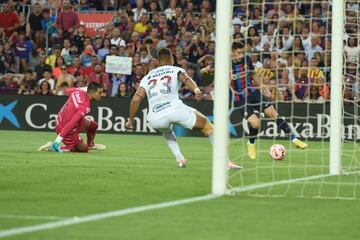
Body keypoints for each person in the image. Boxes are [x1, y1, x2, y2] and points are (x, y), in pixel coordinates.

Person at [125, 48, 241, 169]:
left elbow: (136, 99)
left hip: (155, 119)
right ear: (171, 59)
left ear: (158, 61)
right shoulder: (175, 69)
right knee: (208, 127)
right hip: (175, 109)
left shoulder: (147, 77)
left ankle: (180, 159)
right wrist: (196, 89)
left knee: (166, 130)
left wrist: (131, 120)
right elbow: (186, 79)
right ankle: (226, 162)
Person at [230, 41, 307, 160]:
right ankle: (251, 144)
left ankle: (294, 139)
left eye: (243, 52)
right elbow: (209, 70)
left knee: (272, 113)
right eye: (239, 53)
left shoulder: (247, 60)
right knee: (256, 123)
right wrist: (205, 70)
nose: (241, 55)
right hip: (239, 98)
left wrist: (264, 88)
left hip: (253, 93)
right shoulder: (225, 63)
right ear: (232, 52)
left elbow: (254, 75)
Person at [38, 82, 105, 153]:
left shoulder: (78, 91)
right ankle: (52, 147)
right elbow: (71, 123)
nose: (101, 95)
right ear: (92, 92)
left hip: (62, 118)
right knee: (83, 150)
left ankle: (91, 145)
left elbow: (66, 91)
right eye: (99, 93)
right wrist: (57, 141)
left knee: (94, 126)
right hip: (64, 127)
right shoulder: (83, 107)